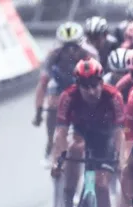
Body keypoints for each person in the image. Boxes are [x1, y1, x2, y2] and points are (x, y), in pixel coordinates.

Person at [50, 58, 125, 207]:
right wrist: (58, 160)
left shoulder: (114, 96)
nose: (91, 91)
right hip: (81, 136)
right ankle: (67, 206)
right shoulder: (68, 96)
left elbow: (120, 133)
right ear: (78, 86)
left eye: (95, 85)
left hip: (105, 141)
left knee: (102, 187)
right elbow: (61, 133)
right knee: (74, 150)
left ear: (102, 82)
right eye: (86, 87)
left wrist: (121, 159)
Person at [33, 22, 98, 164]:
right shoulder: (53, 55)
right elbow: (43, 83)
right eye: (66, 47)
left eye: (74, 46)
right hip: (60, 83)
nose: (70, 52)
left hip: (82, 83)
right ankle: (50, 142)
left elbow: (99, 82)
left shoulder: (91, 54)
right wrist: (38, 111)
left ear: (81, 43)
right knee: (52, 104)